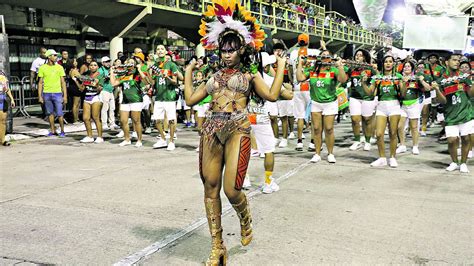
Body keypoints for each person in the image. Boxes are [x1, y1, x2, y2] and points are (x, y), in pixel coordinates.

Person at [184, 1, 284, 264]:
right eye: (223, 50)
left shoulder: (250, 76)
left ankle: (245, 218)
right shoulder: (212, 76)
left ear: (242, 49)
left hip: (238, 129)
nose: (227, 55)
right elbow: (190, 100)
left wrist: (281, 67)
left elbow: (273, 95)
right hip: (211, 131)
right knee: (210, 188)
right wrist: (188, 72)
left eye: (231, 50)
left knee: (232, 189)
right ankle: (217, 247)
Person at [296, 49, 348, 163]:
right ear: (318, 58)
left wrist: (340, 66)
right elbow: (299, 78)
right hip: (316, 103)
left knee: (329, 129)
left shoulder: (333, 70)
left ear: (330, 58)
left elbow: (343, 80)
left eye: (327, 56)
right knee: (316, 129)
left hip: (330, 103)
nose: (325, 57)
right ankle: (317, 153)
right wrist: (300, 63)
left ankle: (330, 153)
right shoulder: (312, 70)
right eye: (323, 56)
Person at [431, 54, 473, 173]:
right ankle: (454, 162)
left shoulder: (464, 77)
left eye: (458, 60)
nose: (457, 62)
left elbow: (470, 94)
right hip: (450, 114)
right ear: (446, 62)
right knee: (451, 140)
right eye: (454, 60)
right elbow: (442, 101)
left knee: (465, 138)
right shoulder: (441, 81)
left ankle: (463, 163)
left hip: (466, 112)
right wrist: (437, 90)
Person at [362, 54, 406, 167]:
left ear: (393, 63)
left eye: (390, 61)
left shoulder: (398, 76)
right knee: (379, 134)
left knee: (392, 133)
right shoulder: (378, 77)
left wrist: (404, 83)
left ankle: (392, 157)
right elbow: (369, 93)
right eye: (386, 61)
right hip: (381, 106)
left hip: (394, 106)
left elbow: (404, 94)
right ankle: (382, 158)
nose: (388, 63)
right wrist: (363, 82)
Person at [110, 59, 151, 147]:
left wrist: (139, 70)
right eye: (127, 63)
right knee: (123, 121)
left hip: (136, 100)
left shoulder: (136, 74)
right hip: (125, 100)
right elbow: (113, 84)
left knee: (136, 121)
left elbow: (146, 82)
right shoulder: (123, 75)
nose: (128, 65)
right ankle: (127, 139)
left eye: (131, 63)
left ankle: (139, 140)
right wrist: (112, 72)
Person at [396, 61, 431, 155]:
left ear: (412, 68)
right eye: (405, 66)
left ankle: (415, 146)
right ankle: (402, 145)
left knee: (414, 127)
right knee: (400, 126)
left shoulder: (416, 78)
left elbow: (428, 89)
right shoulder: (400, 78)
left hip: (414, 104)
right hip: (403, 105)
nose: (406, 68)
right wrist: (404, 82)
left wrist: (422, 80)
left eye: (408, 66)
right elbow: (402, 94)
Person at [347, 49, 377, 151]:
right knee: (355, 119)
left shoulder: (370, 69)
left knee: (367, 119)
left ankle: (367, 141)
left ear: (364, 57)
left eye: (360, 55)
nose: (357, 57)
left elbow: (377, 77)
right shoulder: (352, 68)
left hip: (367, 97)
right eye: (356, 55)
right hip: (354, 97)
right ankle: (357, 141)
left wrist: (375, 68)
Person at [151, 44, 180, 151]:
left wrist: (166, 76)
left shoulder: (171, 64)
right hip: (159, 97)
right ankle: (163, 139)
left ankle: (171, 141)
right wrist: (149, 75)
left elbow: (175, 82)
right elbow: (152, 82)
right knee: (157, 120)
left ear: (165, 51)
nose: (160, 51)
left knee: (171, 120)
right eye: (158, 49)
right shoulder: (155, 65)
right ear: (156, 52)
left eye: (162, 49)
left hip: (170, 96)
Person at [37, 49, 68, 137]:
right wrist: (40, 96)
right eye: (54, 55)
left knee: (59, 113)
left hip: (57, 93)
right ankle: (53, 130)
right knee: (50, 113)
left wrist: (65, 96)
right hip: (46, 93)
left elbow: (63, 82)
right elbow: (40, 83)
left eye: (56, 55)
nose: (56, 57)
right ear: (49, 56)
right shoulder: (42, 68)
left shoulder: (59, 67)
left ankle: (62, 131)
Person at [74, 61, 104, 143]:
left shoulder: (100, 76)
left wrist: (96, 85)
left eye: (95, 65)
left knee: (96, 117)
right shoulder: (86, 76)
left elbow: (99, 89)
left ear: (97, 67)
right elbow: (82, 89)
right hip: (87, 97)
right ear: (89, 67)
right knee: (85, 118)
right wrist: (76, 80)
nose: (93, 66)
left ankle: (100, 137)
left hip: (95, 97)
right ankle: (89, 136)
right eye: (91, 65)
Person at [459, 60, 473, 158]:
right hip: (461, 107)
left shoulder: (472, 78)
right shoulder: (457, 79)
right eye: (462, 67)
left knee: (471, 130)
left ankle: (471, 149)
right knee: (463, 130)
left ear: (470, 69)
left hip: (472, 106)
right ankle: (463, 147)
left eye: (466, 67)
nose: (464, 69)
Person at [99, 56, 118, 130]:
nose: (108, 63)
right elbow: (98, 80)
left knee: (112, 108)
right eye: (106, 62)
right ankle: (104, 124)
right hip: (104, 90)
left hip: (111, 90)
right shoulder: (100, 70)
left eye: (109, 61)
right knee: (105, 108)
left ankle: (112, 123)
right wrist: (105, 78)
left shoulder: (111, 69)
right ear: (103, 63)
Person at [30, 47, 47, 118]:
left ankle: (50, 113)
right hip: (41, 82)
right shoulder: (36, 61)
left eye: (46, 52)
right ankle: (45, 113)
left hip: (51, 82)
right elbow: (32, 73)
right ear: (40, 53)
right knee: (43, 99)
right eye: (43, 53)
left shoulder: (50, 60)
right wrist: (31, 84)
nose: (45, 54)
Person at [0, 71, 15, 146]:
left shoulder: (2, 74)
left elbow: (7, 88)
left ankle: (2, 140)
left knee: (3, 121)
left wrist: (12, 99)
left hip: (2, 100)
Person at [68, 59, 84, 124]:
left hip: (73, 87)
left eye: (76, 61)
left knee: (77, 104)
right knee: (75, 104)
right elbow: (81, 78)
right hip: (75, 88)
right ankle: (75, 119)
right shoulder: (74, 71)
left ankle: (77, 118)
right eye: (74, 61)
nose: (76, 62)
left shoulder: (72, 70)